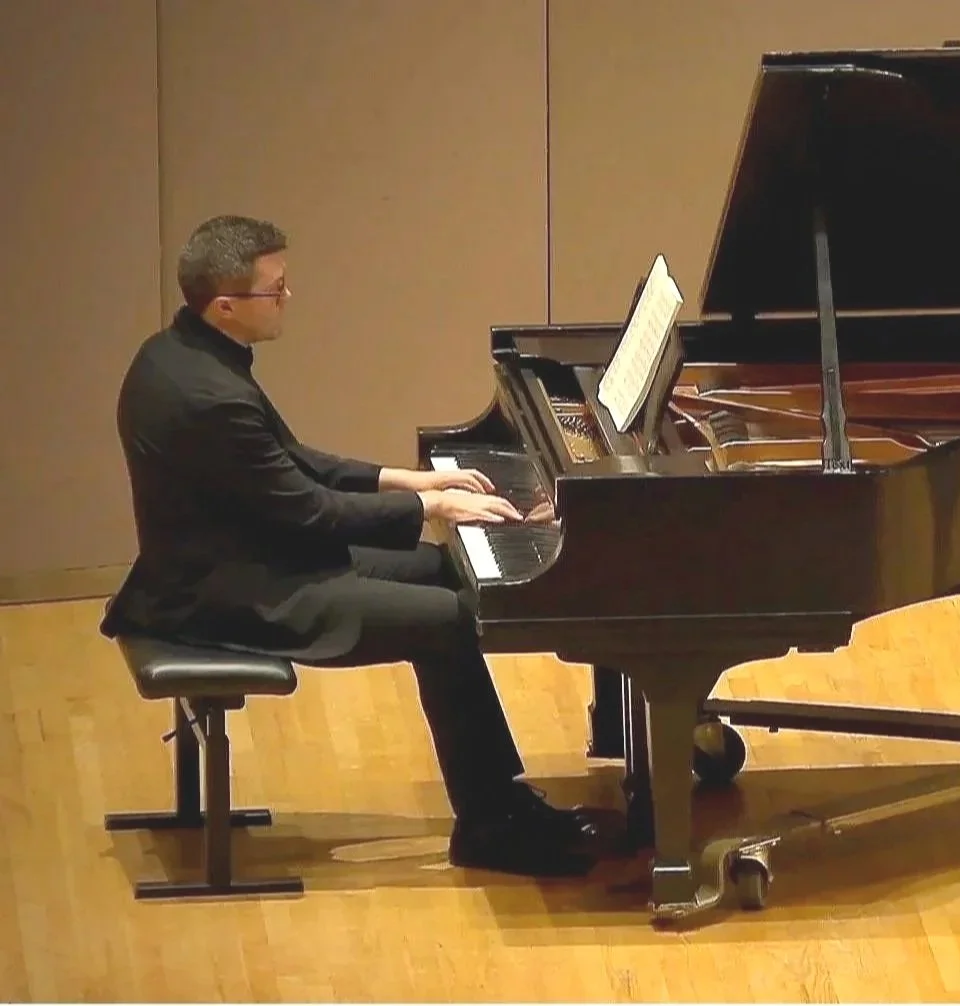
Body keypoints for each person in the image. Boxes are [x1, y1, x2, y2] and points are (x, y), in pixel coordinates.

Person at [100, 214, 614, 877]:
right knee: (450, 620)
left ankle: (500, 806)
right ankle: (490, 825)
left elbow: (286, 459)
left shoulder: (179, 354)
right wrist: (431, 505)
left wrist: (406, 478)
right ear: (225, 305)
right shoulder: (210, 396)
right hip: (230, 594)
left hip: (242, 559)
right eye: (275, 289)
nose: (289, 299)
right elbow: (310, 513)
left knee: (443, 570)